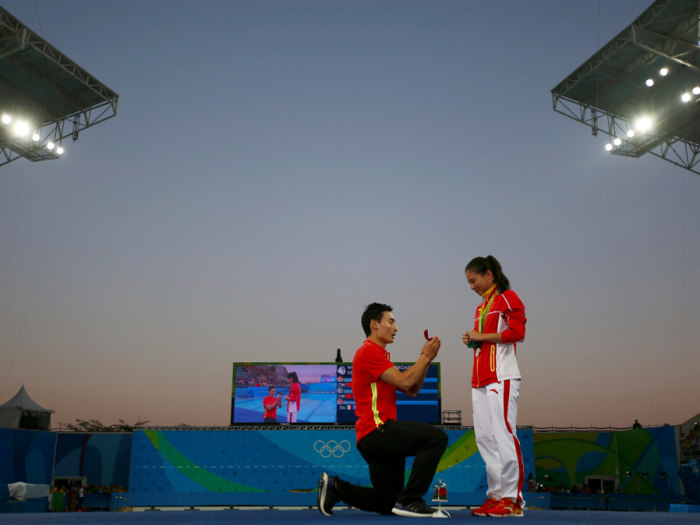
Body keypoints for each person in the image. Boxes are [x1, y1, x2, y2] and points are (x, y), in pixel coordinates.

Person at [317, 302, 449, 517]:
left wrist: (428, 359)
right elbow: (406, 383)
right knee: (436, 438)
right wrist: (424, 356)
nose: (396, 328)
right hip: (378, 430)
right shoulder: (368, 352)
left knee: (387, 502)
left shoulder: (379, 356)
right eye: (391, 322)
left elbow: (412, 390)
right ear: (374, 324)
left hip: (372, 437)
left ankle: (336, 488)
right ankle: (411, 499)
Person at [462, 256, 527, 518]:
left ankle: (512, 500)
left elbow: (517, 333)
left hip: (502, 376)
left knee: (503, 434)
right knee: (484, 438)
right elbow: (484, 340)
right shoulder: (481, 308)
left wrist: (481, 336)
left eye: (473, 280)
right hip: (480, 378)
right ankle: (497, 495)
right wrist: (472, 340)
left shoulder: (508, 297)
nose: (471, 286)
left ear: (489, 274)